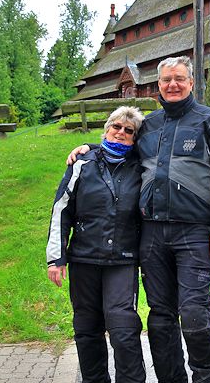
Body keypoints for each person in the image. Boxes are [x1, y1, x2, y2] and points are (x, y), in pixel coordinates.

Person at [68, 56, 210, 383]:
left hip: (194, 233)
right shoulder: (150, 125)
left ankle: (209, 377)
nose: (172, 85)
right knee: (161, 318)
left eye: (179, 78)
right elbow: (119, 148)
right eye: (166, 80)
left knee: (193, 312)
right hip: (151, 237)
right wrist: (90, 148)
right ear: (158, 85)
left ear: (191, 82)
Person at [47, 106, 146, 383]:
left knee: (123, 329)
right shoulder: (82, 163)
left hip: (122, 260)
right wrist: (56, 259)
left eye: (129, 131)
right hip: (83, 260)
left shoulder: (142, 165)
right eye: (116, 126)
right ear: (106, 129)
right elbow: (61, 209)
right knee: (87, 330)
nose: (121, 133)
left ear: (135, 138)